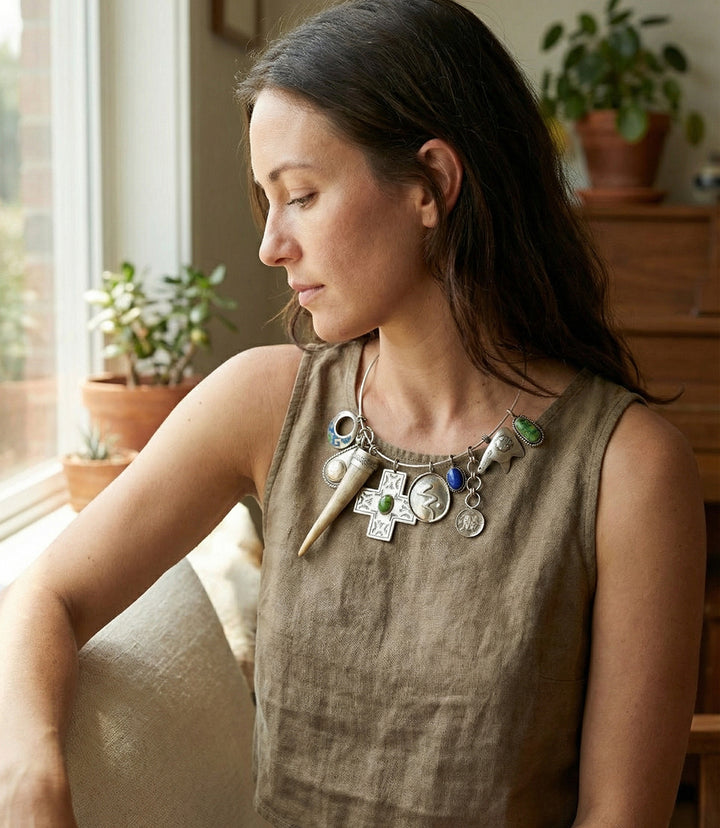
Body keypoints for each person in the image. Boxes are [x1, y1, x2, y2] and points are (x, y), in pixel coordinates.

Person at [0, 0, 706, 825]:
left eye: (300, 194)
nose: (270, 244)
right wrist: (30, 774)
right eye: (266, 199)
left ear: (433, 185)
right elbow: (45, 594)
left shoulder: (629, 469)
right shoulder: (261, 402)